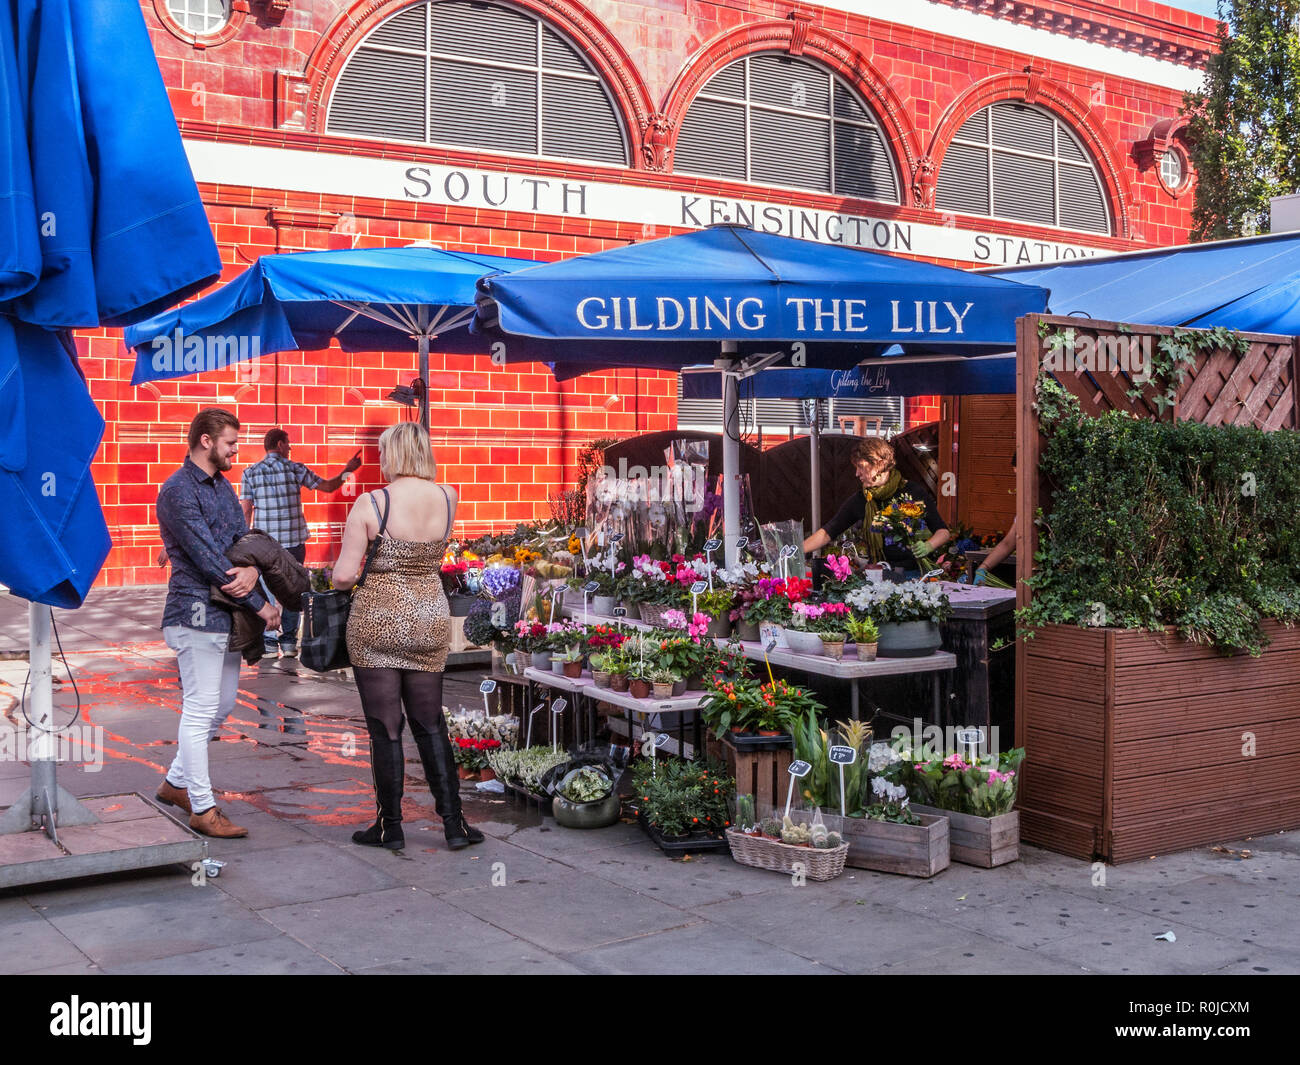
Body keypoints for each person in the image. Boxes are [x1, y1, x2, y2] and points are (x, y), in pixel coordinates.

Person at [333, 422, 483, 853]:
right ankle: (454, 824)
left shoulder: (371, 502)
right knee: (429, 722)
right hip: (429, 617)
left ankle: (389, 826)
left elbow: (343, 576)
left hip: (377, 619)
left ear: (393, 454)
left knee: (386, 727)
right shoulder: (448, 497)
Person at [155, 408, 281, 839]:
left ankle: (175, 784)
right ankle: (203, 809)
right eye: (230, 441)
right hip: (194, 612)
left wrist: (249, 571)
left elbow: (238, 544)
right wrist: (260, 603)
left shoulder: (224, 487)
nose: (235, 449)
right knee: (201, 708)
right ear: (206, 441)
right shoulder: (176, 490)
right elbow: (208, 557)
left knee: (222, 705)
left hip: (224, 613)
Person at [240, 429, 361, 658]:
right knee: (293, 591)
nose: (290, 449)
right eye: (288, 444)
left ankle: (267, 642)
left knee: (267, 590)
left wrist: (243, 541)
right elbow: (327, 486)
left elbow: (245, 509)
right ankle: (287, 644)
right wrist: (348, 470)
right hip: (293, 542)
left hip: (264, 545)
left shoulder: (250, 473)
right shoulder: (295, 469)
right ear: (279, 444)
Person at [802, 436, 950, 571]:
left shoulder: (913, 492)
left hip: (916, 574)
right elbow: (828, 532)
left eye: (861, 466)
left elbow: (943, 532)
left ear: (879, 464)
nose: (857, 473)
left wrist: (928, 546)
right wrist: (798, 549)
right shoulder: (862, 499)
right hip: (880, 575)